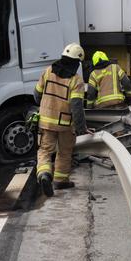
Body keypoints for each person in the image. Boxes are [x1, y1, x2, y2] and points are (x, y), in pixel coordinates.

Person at [34, 43, 88, 196]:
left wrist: (45, 105)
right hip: (65, 125)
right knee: (65, 152)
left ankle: (44, 174)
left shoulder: (48, 71)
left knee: (45, 150)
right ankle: (60, 180)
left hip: (45, 122)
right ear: (76, 62)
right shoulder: (76, 80)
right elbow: (77, 107)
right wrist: (81, 128)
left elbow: (37, 95)